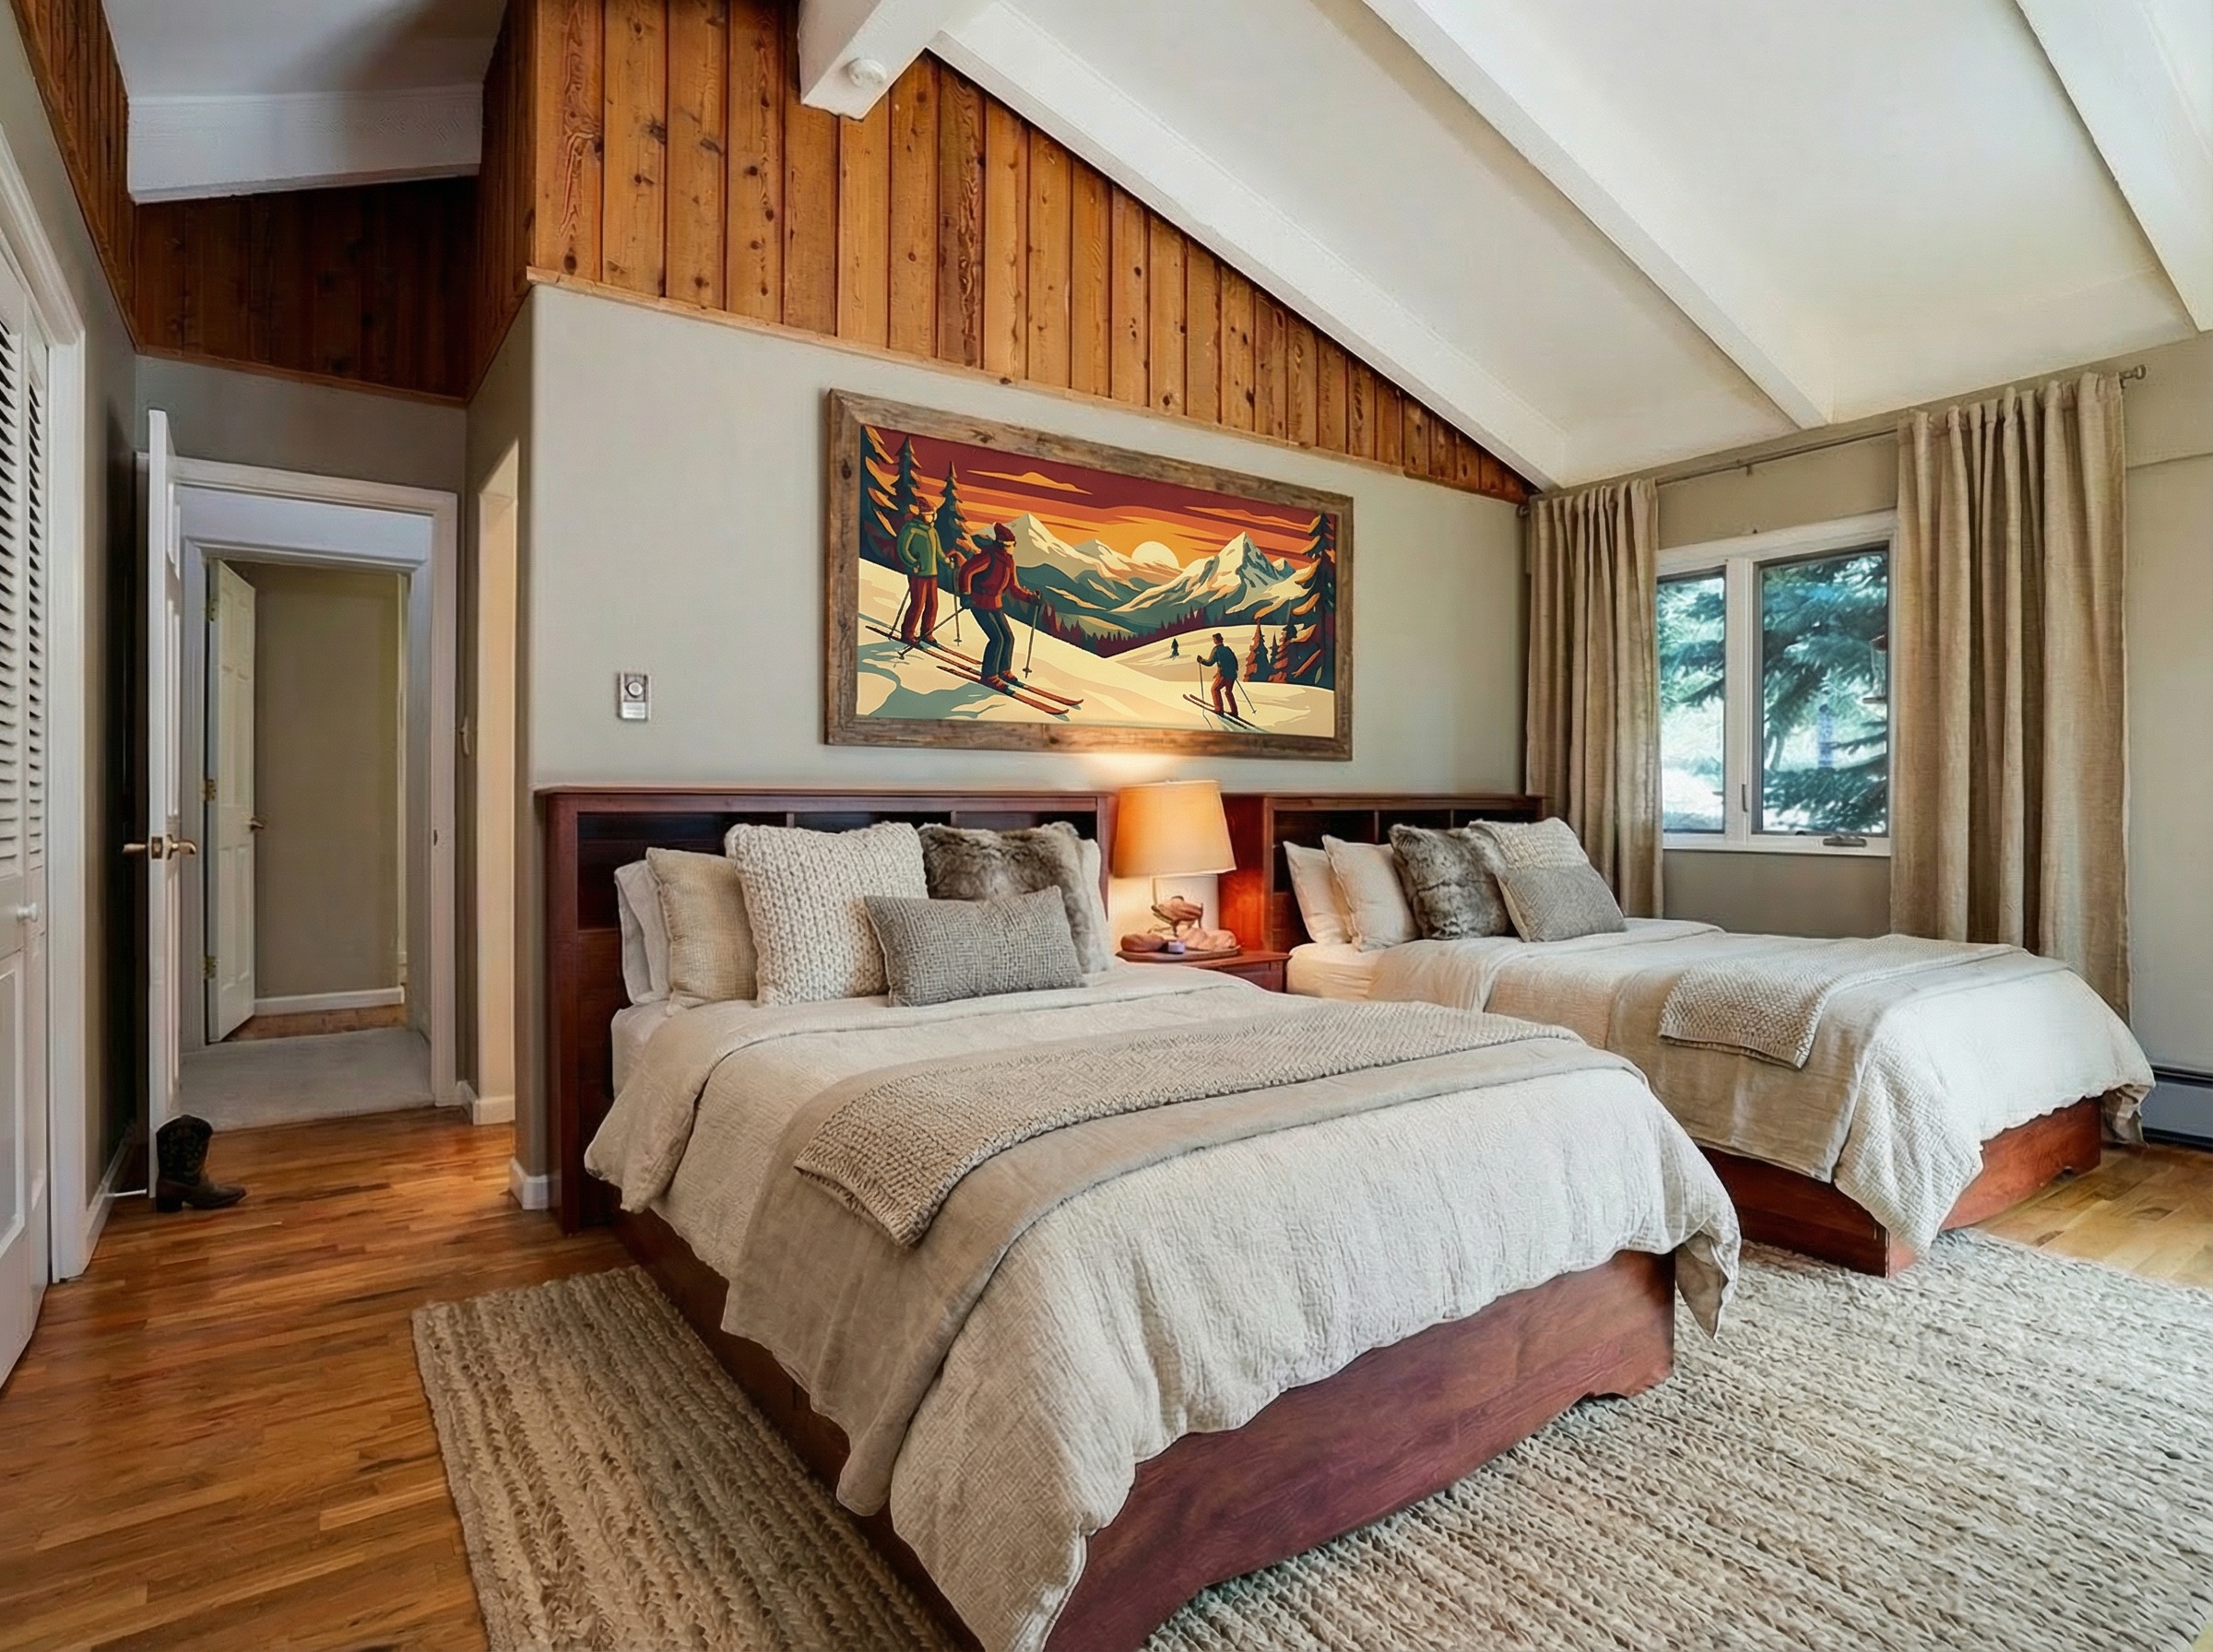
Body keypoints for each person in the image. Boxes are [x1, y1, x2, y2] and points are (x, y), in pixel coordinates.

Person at [957, 521, 1038, 690]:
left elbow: (1013, 588)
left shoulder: (1008, 561)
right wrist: (965, 594)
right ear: (1004, 545)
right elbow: (967, 571)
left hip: (995, 604)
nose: (1013, 547)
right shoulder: (989, 556)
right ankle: (989, 675)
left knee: (1008, 638)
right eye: (1012, 544)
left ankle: (1004, 670)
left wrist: (1030, 598)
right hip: (979, 603)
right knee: (997, 639)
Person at [893, 497, 946, 643]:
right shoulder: (911, 528)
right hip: (918, 574)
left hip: (932, 573)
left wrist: (947, 561)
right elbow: (902, 549)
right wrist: (913, 563)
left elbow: (938, 552)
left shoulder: (932, 531)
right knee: (918, 604)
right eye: (931, 514)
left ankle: (927, 632)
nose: (933, 517)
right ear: (923, 514)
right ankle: (908, 634)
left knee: (933, 604)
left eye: (933, 514)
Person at [1197, 630, 1241, 719]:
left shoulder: (1216, 650)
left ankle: (1219, 709)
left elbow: (1210, 662)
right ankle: (1234, 711)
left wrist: (1201, 661)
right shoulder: (1228, 649)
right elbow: (1235, 661)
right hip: (1232, 675)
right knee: (1228, 692)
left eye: (1214, 639)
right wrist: (1233, 671)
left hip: (1224, 675)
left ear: (1216, 640)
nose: (1214, 641)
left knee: (1215, 689)